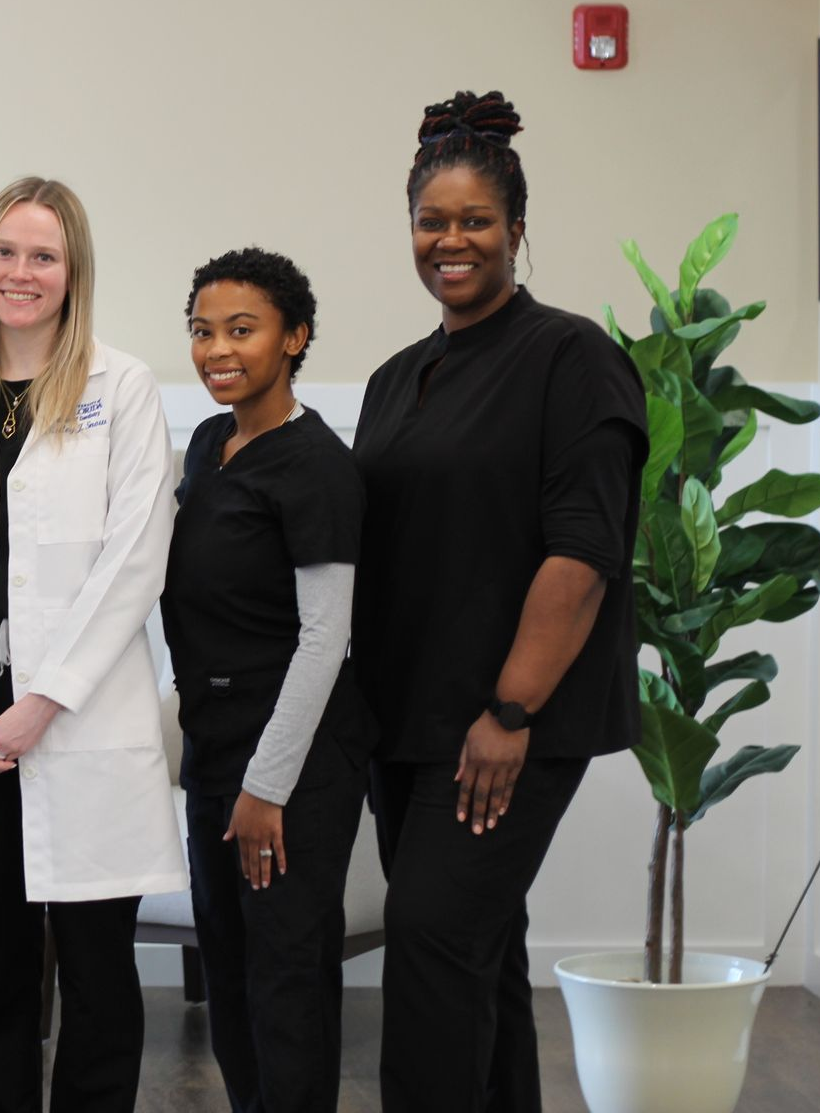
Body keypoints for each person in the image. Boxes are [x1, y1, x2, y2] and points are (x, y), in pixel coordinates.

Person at [353, 91, 647, 1112]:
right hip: (408, 724)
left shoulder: (571, 361)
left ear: (515, 231)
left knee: (432, 945)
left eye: (474, 220)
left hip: (504, 723)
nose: (450, 240)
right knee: (472, 948)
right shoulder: (397, 379)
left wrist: (509, 710)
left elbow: (582, 554)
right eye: (431, 221)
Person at [0, 176, 185, 1112]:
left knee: (98, 980)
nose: (21, 272)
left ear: (72, 272)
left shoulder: (121, 388)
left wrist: (42, 702)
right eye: (4, 252)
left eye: (42, 256)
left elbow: (134, 560)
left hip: (75, 725)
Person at [161, 248, 376, 1112]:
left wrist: (266, 786)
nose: (218, 348)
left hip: (291, 764)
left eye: (242, 330)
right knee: (230, 970)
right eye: (203, 330)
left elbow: (327, 639)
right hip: (215, 750)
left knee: (284, 982)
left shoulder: (315, 464)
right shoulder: (213, 442)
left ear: (296, 337)